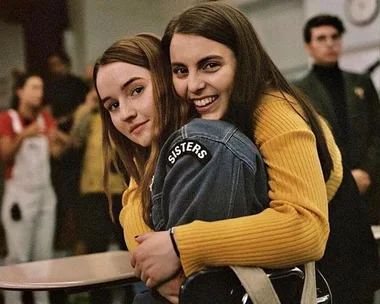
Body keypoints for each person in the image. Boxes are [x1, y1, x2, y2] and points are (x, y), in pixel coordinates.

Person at [121, 2, 378, 304]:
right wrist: (156, 263)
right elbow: (138, 197)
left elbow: (305, 230)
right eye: (180, 70)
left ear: (243, 62)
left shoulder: (275, 111)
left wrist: (181, 246)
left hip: (333, 270)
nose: (194, 84)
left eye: (210, 65)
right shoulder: (190, 112)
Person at [93, 33, 270, 303]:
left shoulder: (199, 143)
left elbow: (189, 282)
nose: (125, 113)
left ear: (167, 79)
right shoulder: (159, 158)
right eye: (113, 105)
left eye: (136, 90)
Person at [294, 14, 380, 303]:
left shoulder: (361, 83)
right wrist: (344, 178)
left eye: (334, 37)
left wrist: (367, 172)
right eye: (321, 38)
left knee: (369, 273)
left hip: (371, 189)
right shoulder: (299, 91)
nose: (330, 44)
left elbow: (377, 132)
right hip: (331, 194)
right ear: (308, 46)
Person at [0, 72, 67, 304]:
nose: (39, 93)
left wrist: (59, 138)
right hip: (19, 197)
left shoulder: (45, 118)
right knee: (18, 258)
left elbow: (56, 153)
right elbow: (5, 155)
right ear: (20, 91)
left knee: (43, 259)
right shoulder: (8, 119)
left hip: (45, 196)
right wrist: (24, 135)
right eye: (34, 87)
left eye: (41, 88)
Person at [70, 86, 130, 303]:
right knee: (96, 250)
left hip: (122, 190)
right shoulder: (86, 111)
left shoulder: (121, 108)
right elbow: (74, 140)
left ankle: (129, 297)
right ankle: (99, 300)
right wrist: (87, 106)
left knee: (127, 249)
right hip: (93, 190)